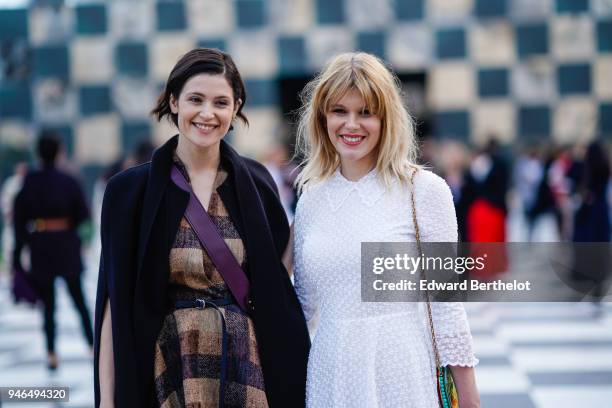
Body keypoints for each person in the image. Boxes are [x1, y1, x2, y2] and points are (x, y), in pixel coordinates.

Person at [94, 48, 310, 408]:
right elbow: (112, 305)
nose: (208, 113)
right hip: (168, 364)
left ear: (235, 107)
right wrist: (107, 399)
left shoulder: (257, 183)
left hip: (246, 366)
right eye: (196, 99)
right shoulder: (128, 192)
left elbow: (275, 282)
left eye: (221, 102)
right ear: (174, 101)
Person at [291, 52, 479, 407]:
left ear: (386, 117)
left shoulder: (422, 190)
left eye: (366, 112)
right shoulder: (309, 201)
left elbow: (446, 306)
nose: (351, 124)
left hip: (402, 369)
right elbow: (302, 307)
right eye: (339, 111)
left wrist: (469, 400)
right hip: (331, 372)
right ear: (322, 117)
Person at [13, 131, 94, 370]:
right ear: (59, 152)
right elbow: (83, 214)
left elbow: (19, 218)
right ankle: (92, 346)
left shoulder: (29, 181)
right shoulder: (69, 180)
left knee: (48, 306)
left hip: (40, 247)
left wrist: (19, 253)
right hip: (66, 244)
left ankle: (51, 353)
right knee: (79, 301)